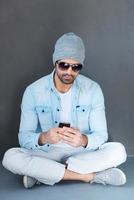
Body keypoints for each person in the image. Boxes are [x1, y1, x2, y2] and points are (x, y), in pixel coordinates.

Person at [2, 32, 127, 189]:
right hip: (48, 152)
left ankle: (43, 174)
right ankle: (89, 176)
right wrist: (44, 137)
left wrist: (83, 140)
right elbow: (24, 137)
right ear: (55, 63)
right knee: (10, 157)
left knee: (119, 151)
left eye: (76, 67)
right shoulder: (33, 91)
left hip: (81, 154)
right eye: (64, 65)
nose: (69, 71)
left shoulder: (93, 90)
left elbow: (101, 134)